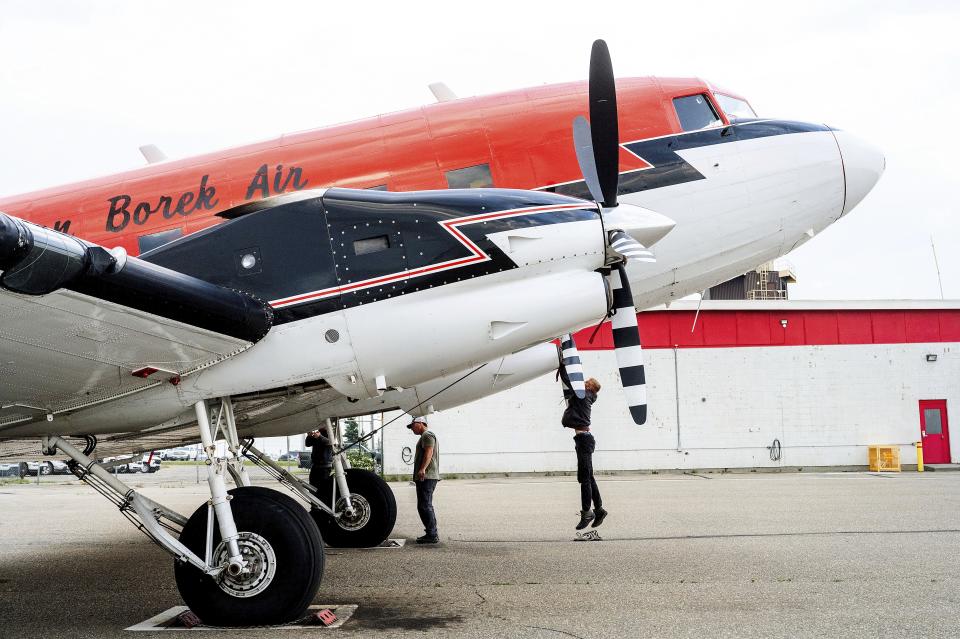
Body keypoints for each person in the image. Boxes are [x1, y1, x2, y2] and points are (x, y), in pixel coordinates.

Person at [559, 367, 608, 530]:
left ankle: (587, 512)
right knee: (588, 477)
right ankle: (599, 510)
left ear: (590, 389)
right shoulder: (586, 397)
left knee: (584, 479)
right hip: (583, 440)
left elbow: (569, 382)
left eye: (586, 383)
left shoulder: (584, 396)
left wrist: (562, 367)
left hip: (584, 441)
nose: (583, 384)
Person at [407, 416, 440, 544]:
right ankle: (431, 533)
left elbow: (429, 452)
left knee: (425, 505)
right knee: (424, 505)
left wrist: (423, 469)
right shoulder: (424, 436)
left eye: (412, 426)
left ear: (420, 423)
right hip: (426, 476)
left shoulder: (427, 435)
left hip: (427, 476)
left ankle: (432, 535)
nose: (412, 429)